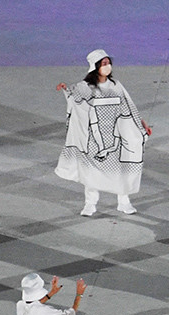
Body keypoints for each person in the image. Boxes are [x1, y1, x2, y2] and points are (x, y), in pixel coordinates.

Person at [55, 49, 151, 216]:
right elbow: (75, 101)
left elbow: (128, 106)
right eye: (104, 64)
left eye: (109, 63)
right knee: (91, 171)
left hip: (116, 134)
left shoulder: (115, 85)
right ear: (96, 66)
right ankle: (90, 204)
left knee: (121, 169)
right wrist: (66, 90)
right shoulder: (86, 87)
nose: (108, 66)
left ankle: (124, 202)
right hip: (95, 137)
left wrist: (141, 124)